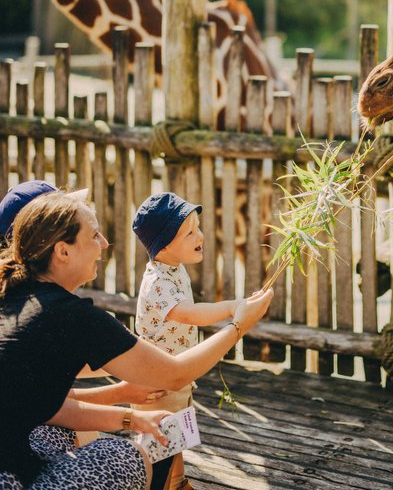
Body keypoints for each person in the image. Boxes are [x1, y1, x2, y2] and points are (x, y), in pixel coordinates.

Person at [0, 191, 272, 490]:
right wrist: (238, 326)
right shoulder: (70, 315)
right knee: (128, 455)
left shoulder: (14, 296)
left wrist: (130, 418)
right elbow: (175, 374)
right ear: (63, 251)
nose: (104, 243)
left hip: (13, 459)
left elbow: (47, 408)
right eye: (94, 235)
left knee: (63, 433)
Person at [0, 181, 167, 412]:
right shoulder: (47, 307)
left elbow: (55, 368)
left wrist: (130, 360)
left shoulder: (19, 293)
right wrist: (119, 395)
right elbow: (38, 404)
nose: (105, 243)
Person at [132, 192, 241, 490]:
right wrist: (233, 309)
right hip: (158, 381)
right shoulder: (158, 284)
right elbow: (190, 314)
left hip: (177, 374)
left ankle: (178, 483)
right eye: (189, 231)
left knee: (175, 436)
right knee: (159, 445)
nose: (201, 235)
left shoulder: (174, 268)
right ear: (164, 244)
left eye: (198, 227)